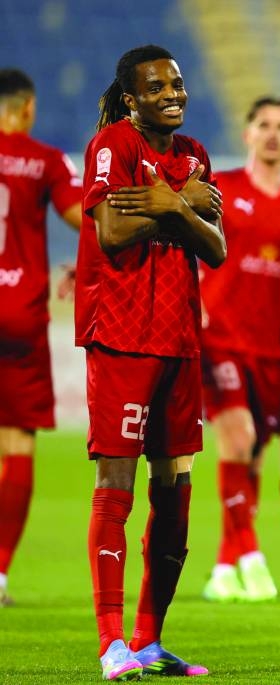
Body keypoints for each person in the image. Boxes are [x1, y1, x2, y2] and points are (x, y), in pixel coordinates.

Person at [77, 44, 225, 679]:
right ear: (132, 99)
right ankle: (111, 642)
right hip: (123, 335)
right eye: (158, 87)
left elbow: (216, 248)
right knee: (117, 486)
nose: (173, 94)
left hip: (180, 339)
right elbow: (110, 231)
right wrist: (176, 205)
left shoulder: (194, 154)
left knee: (177, 490)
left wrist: (171, 206)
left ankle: (148, 640)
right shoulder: (113, 143)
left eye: (179, 83)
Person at [200, 96, 280, 604]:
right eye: (263, 124)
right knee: (238, 438)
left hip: (271, 347)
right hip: (218, 336)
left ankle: (224, 567)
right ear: (247, 133)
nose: (272, 133)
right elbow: (180, 243)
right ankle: (251, 553)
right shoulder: (220, 188)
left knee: (252, 458)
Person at [0, 68, 82, 607]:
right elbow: (85, 217)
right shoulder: (46, 160)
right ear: (27, 107)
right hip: (19, 312)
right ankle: (0, 571)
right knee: (17, 441)